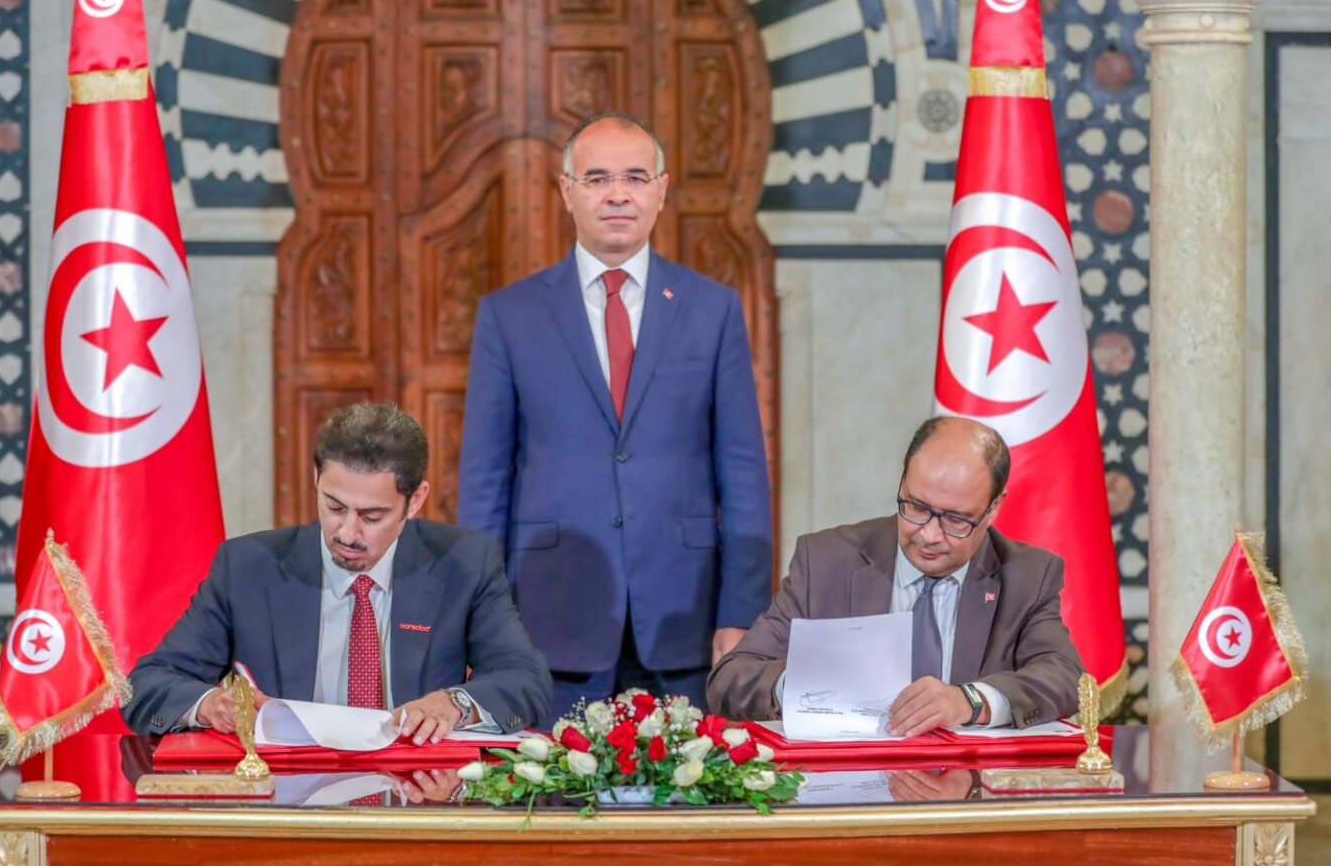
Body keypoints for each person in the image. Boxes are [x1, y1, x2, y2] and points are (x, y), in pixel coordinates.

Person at [458, 111, 772, 722]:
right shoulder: (509, 315)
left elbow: (743, 476)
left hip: (685, 618)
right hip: (549, 621)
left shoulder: (712, 309)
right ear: (566, 191)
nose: (618, 194)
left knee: (685, 782)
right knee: (549, 782)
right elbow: (484, 484)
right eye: (598, 178)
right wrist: (481, 624)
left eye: (635, 177)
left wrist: (742, 615)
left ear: (662, 189)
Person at [124, 403, 551, 742]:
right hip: (286, 800)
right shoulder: (248, 567)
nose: (347, 532)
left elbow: (525, 680)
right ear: (316, 478)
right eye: (334, 506)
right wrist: (209, 705)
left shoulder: (464, 563)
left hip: (414, 796)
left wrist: (454, 704)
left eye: (372, 515)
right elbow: (145, 686)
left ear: (415, 501)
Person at [707, 416, 1081, 732]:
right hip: (847, 785)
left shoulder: (1027, 576)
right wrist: (803, 684)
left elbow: (1066, 677)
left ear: (994, 508)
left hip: (967, 788)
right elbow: (730, 680)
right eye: (916, 507)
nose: (929, 535)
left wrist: (970, 701)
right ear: (902, 481)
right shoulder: (826, 562)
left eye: (956, 519)